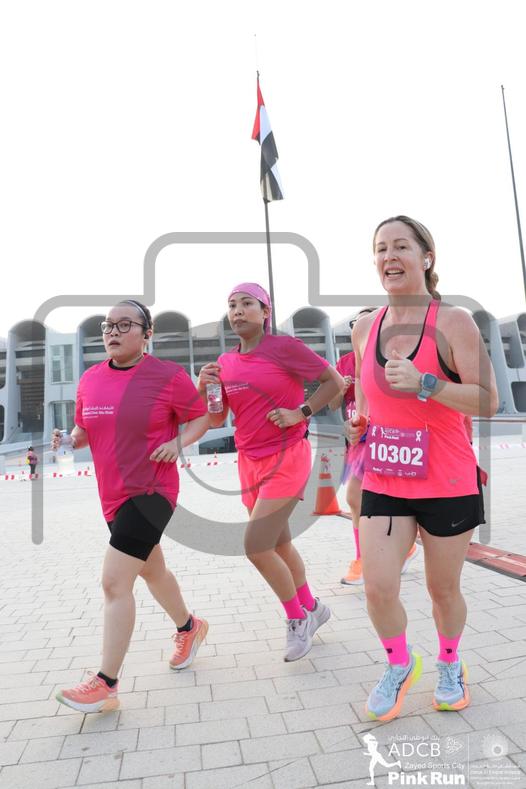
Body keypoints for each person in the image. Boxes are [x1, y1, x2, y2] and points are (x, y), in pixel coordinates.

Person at [346, 216, 498, 722]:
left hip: (447, 479)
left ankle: (450, 663)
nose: (389, 257)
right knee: (377, 586)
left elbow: (488, 401)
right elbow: (366, 397)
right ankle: (400, 664)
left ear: (426, 257)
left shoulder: (453, 322)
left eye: (401, 247)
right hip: (386, 473)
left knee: (442, 589)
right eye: (381, 248)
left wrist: (426, 384)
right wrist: (358, 424)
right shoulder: (365, 328)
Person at [53, 300, 210, 713]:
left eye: (125, 325)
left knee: (114, 583)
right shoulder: (90, 379)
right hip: (112, 495)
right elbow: (84, 430)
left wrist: (177, 443)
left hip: (152, 491)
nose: (113, 332)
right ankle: (189, 627)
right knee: (153, 571)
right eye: (109, 325)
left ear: (147, 334)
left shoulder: (168, 376)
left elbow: (201, 418)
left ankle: (105, 683)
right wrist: (68, 440)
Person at [198, 283, 343, 662]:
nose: (237, 310)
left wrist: (301, 413)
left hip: (287, 456)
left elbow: (334, 381)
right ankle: (313, 608)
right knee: (279, 545)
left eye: (247, 303)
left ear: (266, 311)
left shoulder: (284, 348)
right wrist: (204, 387)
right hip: (249, 461)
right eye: (232, 305)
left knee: (256, 546)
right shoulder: (225, 362)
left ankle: (297, 619)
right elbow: (216, 418)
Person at [330, 310, 419, 585]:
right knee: (357, 498)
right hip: (359, 437)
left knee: (379, 499)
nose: (362, 326)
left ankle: (385, 555)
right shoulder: (345, 362)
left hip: (389, 436)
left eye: (368, 320)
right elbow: (333, 405)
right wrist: (340, 388)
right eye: (356, 323)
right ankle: (371, 558)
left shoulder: (393, 352)